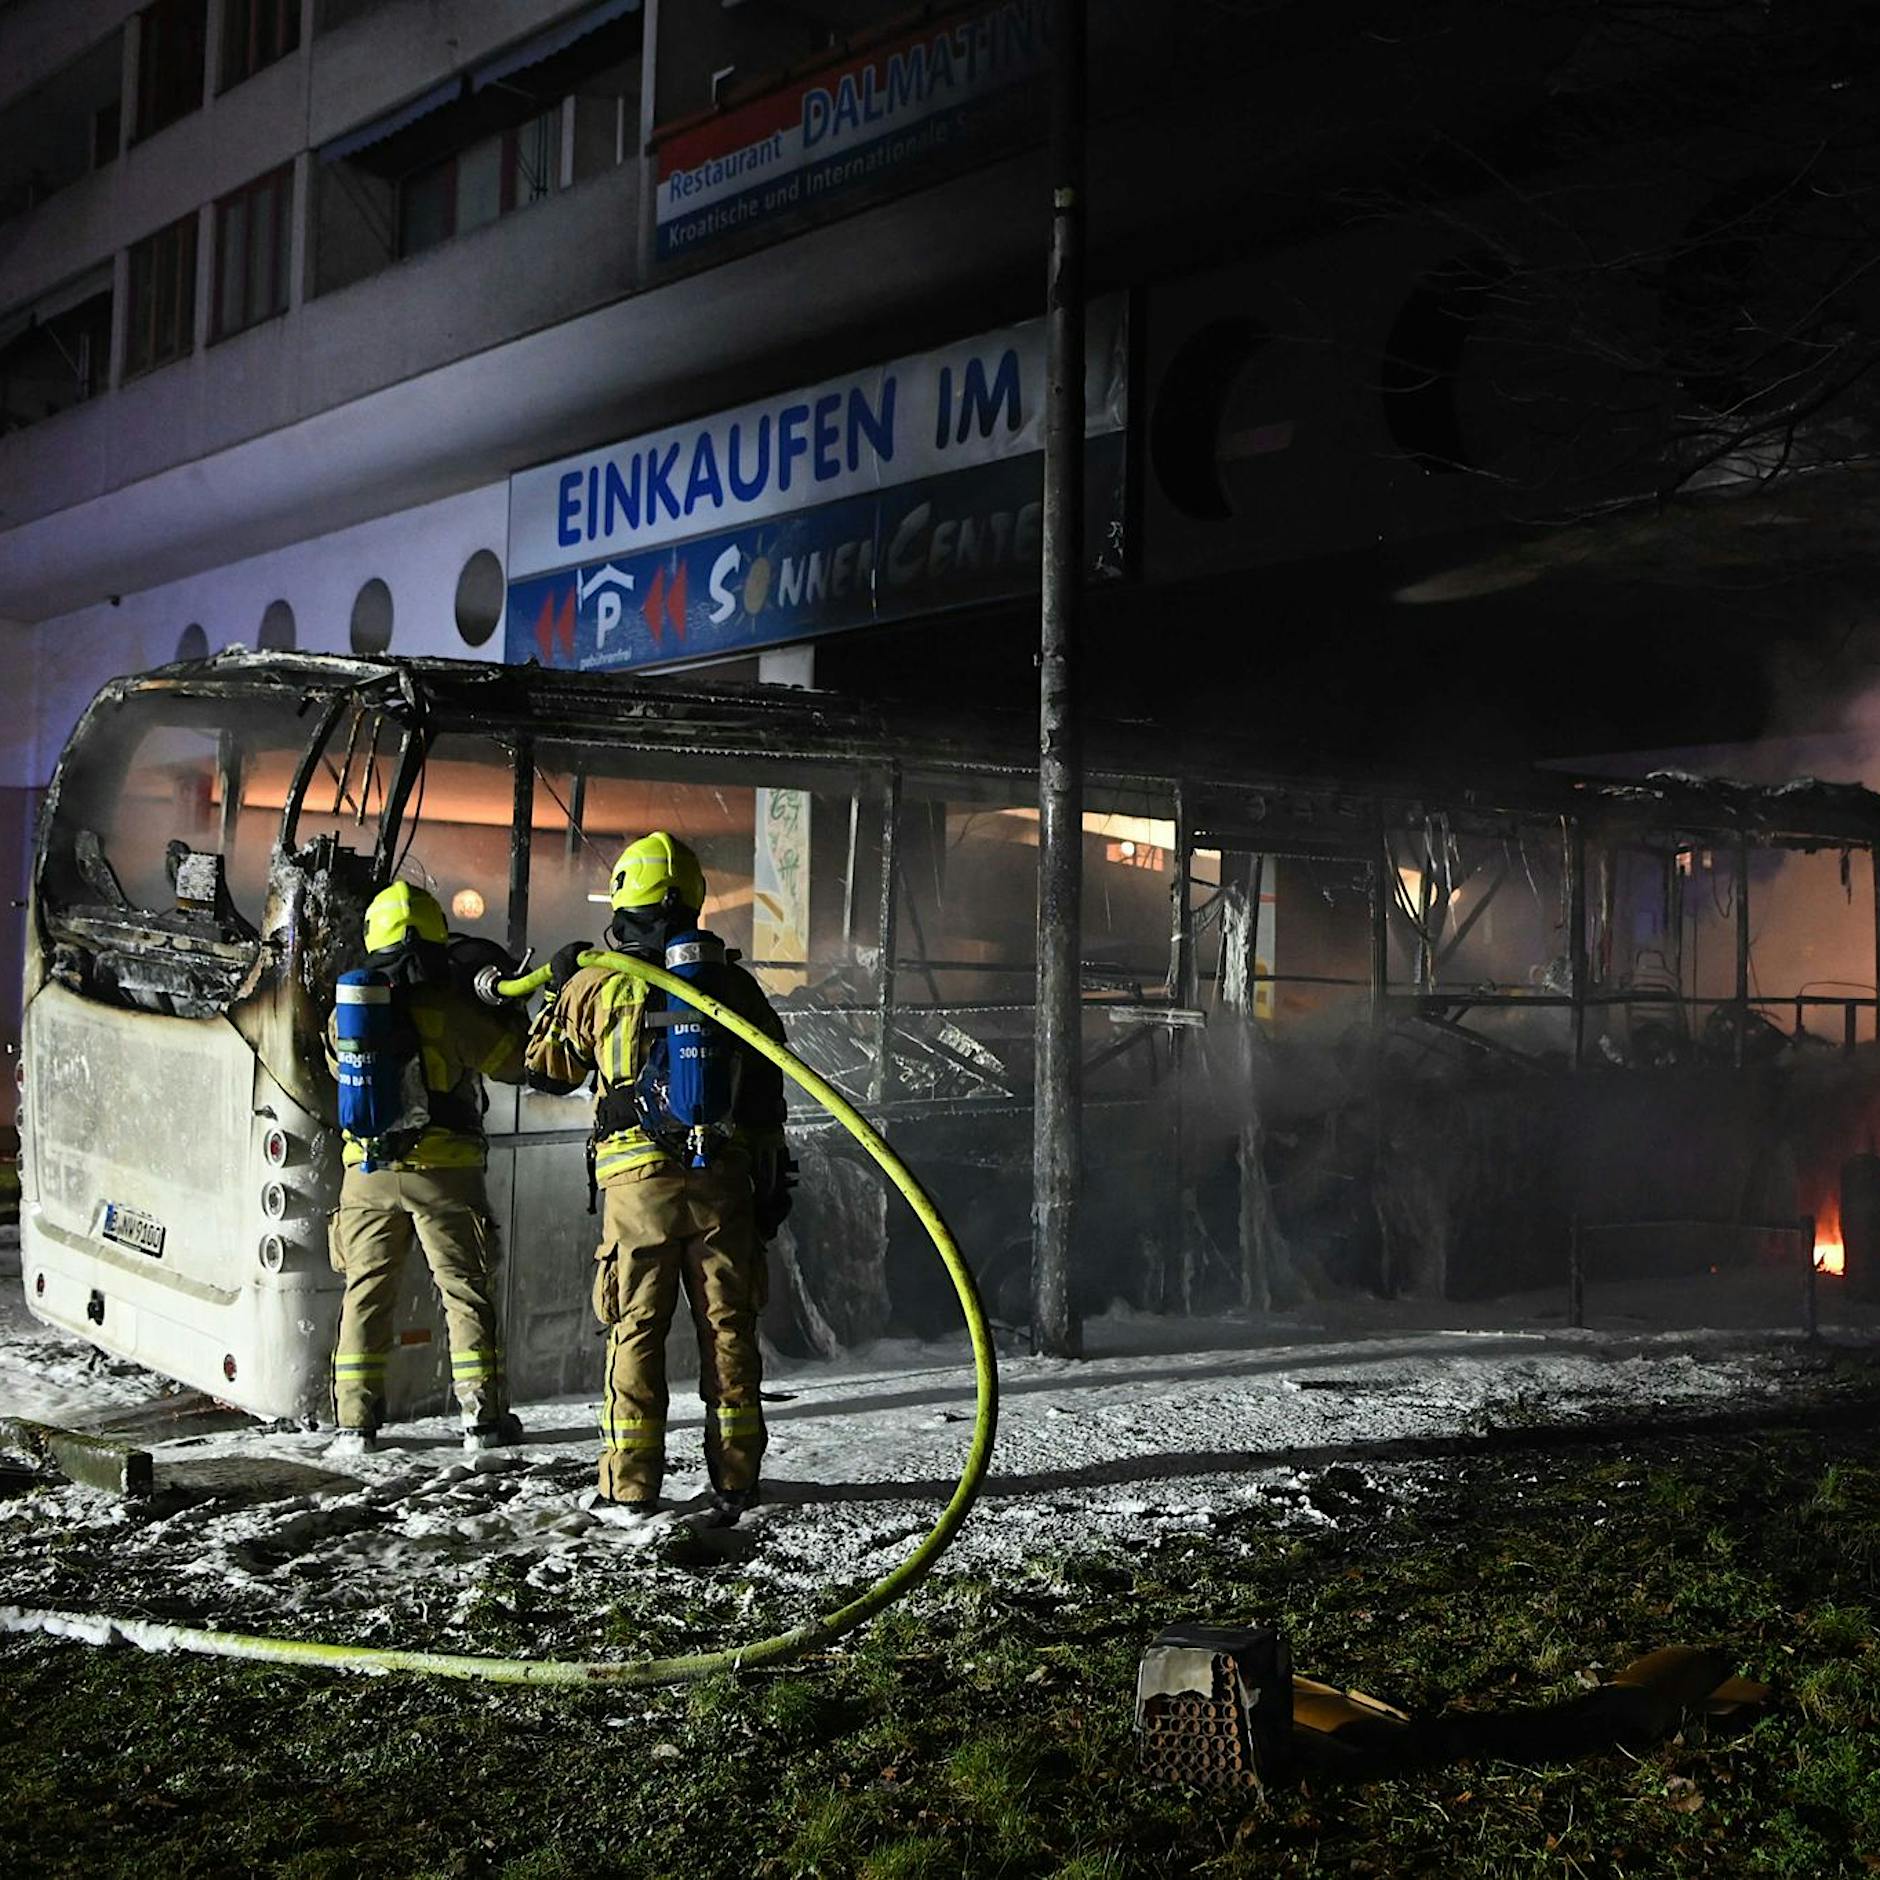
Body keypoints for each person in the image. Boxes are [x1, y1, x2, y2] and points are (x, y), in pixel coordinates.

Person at [525, 831, 794, 1520]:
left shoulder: (596, 981)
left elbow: (545, 1071)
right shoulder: (731, 984)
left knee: (636, 1328)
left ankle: (628, 1486)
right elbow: (767, 1088)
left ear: (624, 894)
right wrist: (766, 1178)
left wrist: (558, 988)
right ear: (695, 896)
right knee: (729, 1329)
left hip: (635, 1187)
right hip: (722, 1179)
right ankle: (737, 1480)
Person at [324, 881, 527, 1457]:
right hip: (445, 1169)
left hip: (366, 1170)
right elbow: (516, 1062)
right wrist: (503, 1004)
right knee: (464, 1291)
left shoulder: (349, 1013)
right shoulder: (448, 1008)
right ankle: (482, 1423)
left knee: (365, 1294)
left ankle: (355, 1426)